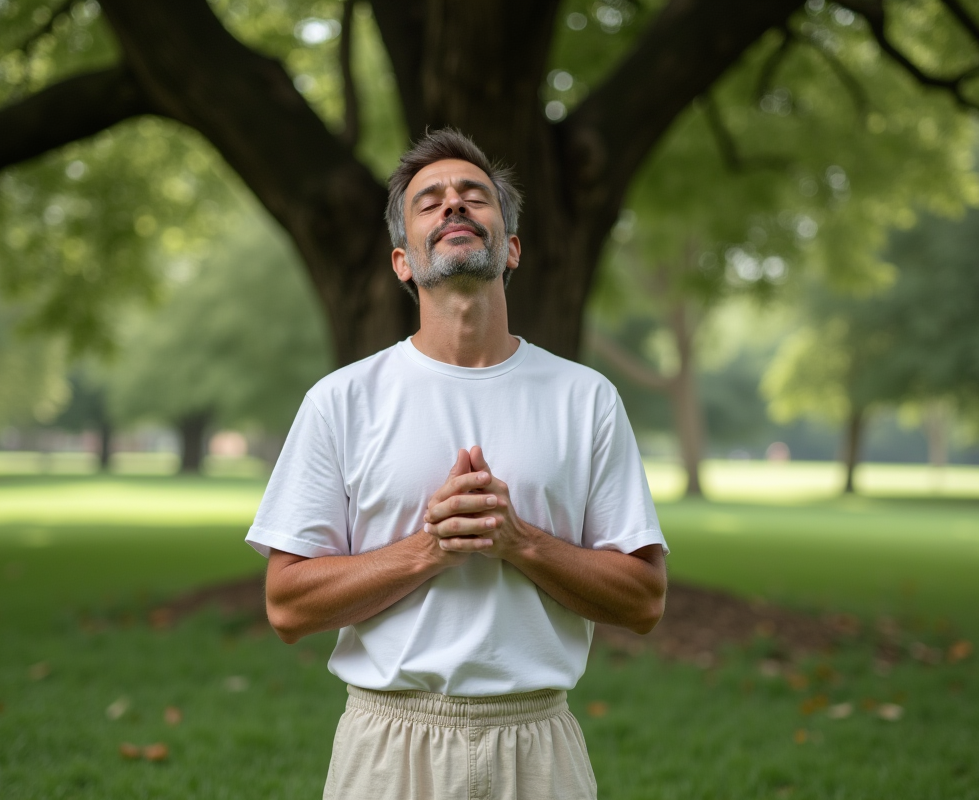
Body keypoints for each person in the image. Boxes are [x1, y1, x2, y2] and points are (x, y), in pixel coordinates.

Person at [246, 128, 667, 800]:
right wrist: (430, 550)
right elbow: (287, 606)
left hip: (538, 745)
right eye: (429, 202)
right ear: (402, 262)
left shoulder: (585, 398)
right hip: (388, 747)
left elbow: (645, 600)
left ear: (513, 248)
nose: (453, 207)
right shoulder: (342, 401)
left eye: (475, 197)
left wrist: (519, 542)